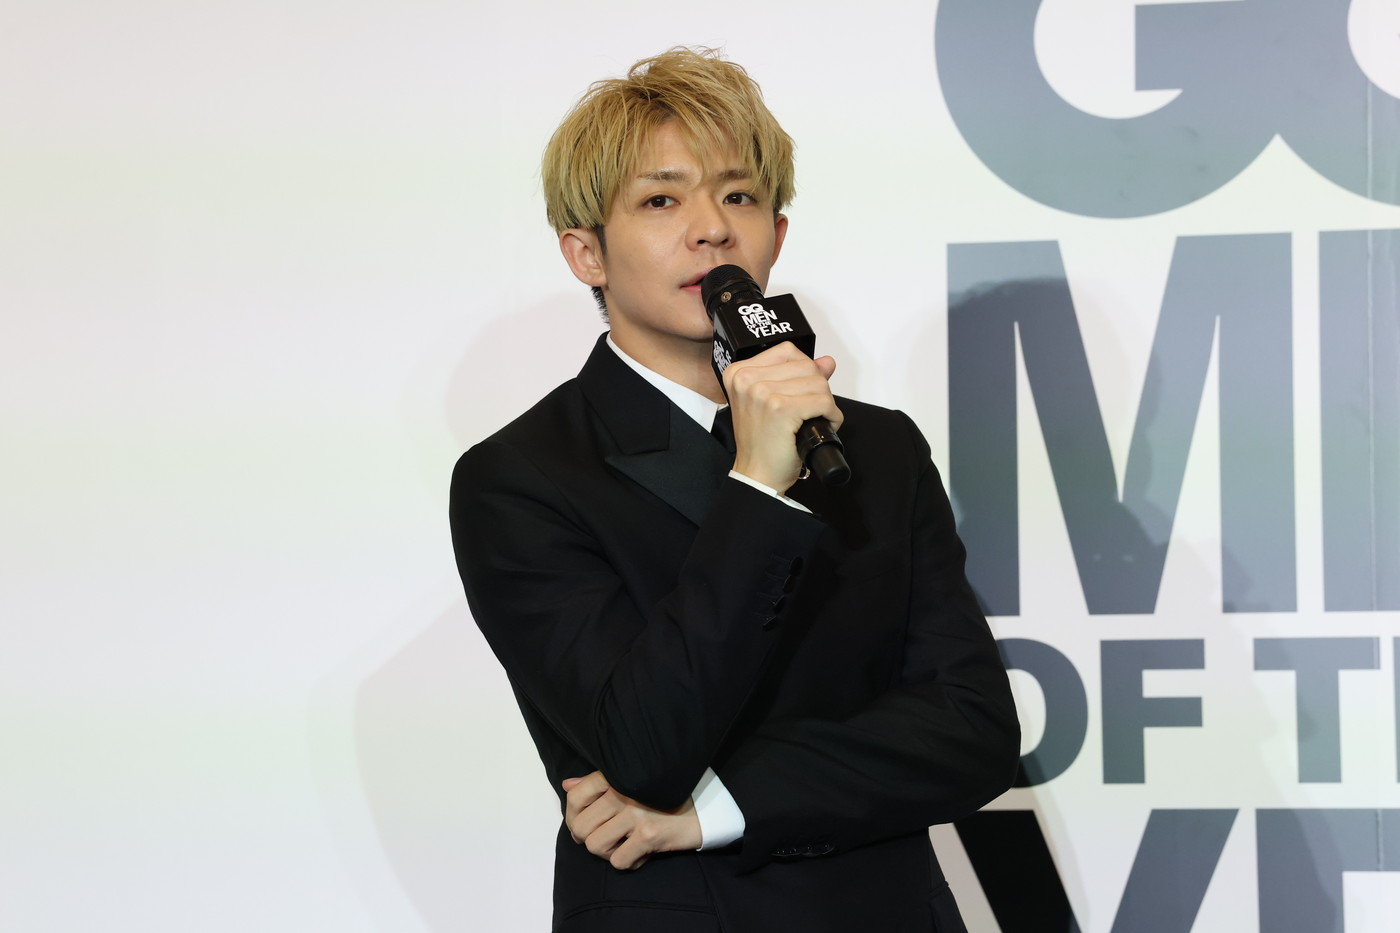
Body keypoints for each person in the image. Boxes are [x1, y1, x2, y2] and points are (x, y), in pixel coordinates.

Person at [450, 47, 1019, 932]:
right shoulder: (521, 477)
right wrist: (757, 487)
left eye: (740, 196)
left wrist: (715, 805)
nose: (712, 229)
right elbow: (643, 745)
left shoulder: (878, 447)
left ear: (776, 236)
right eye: (661, 199)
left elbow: (975, 732)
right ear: (586, 252)